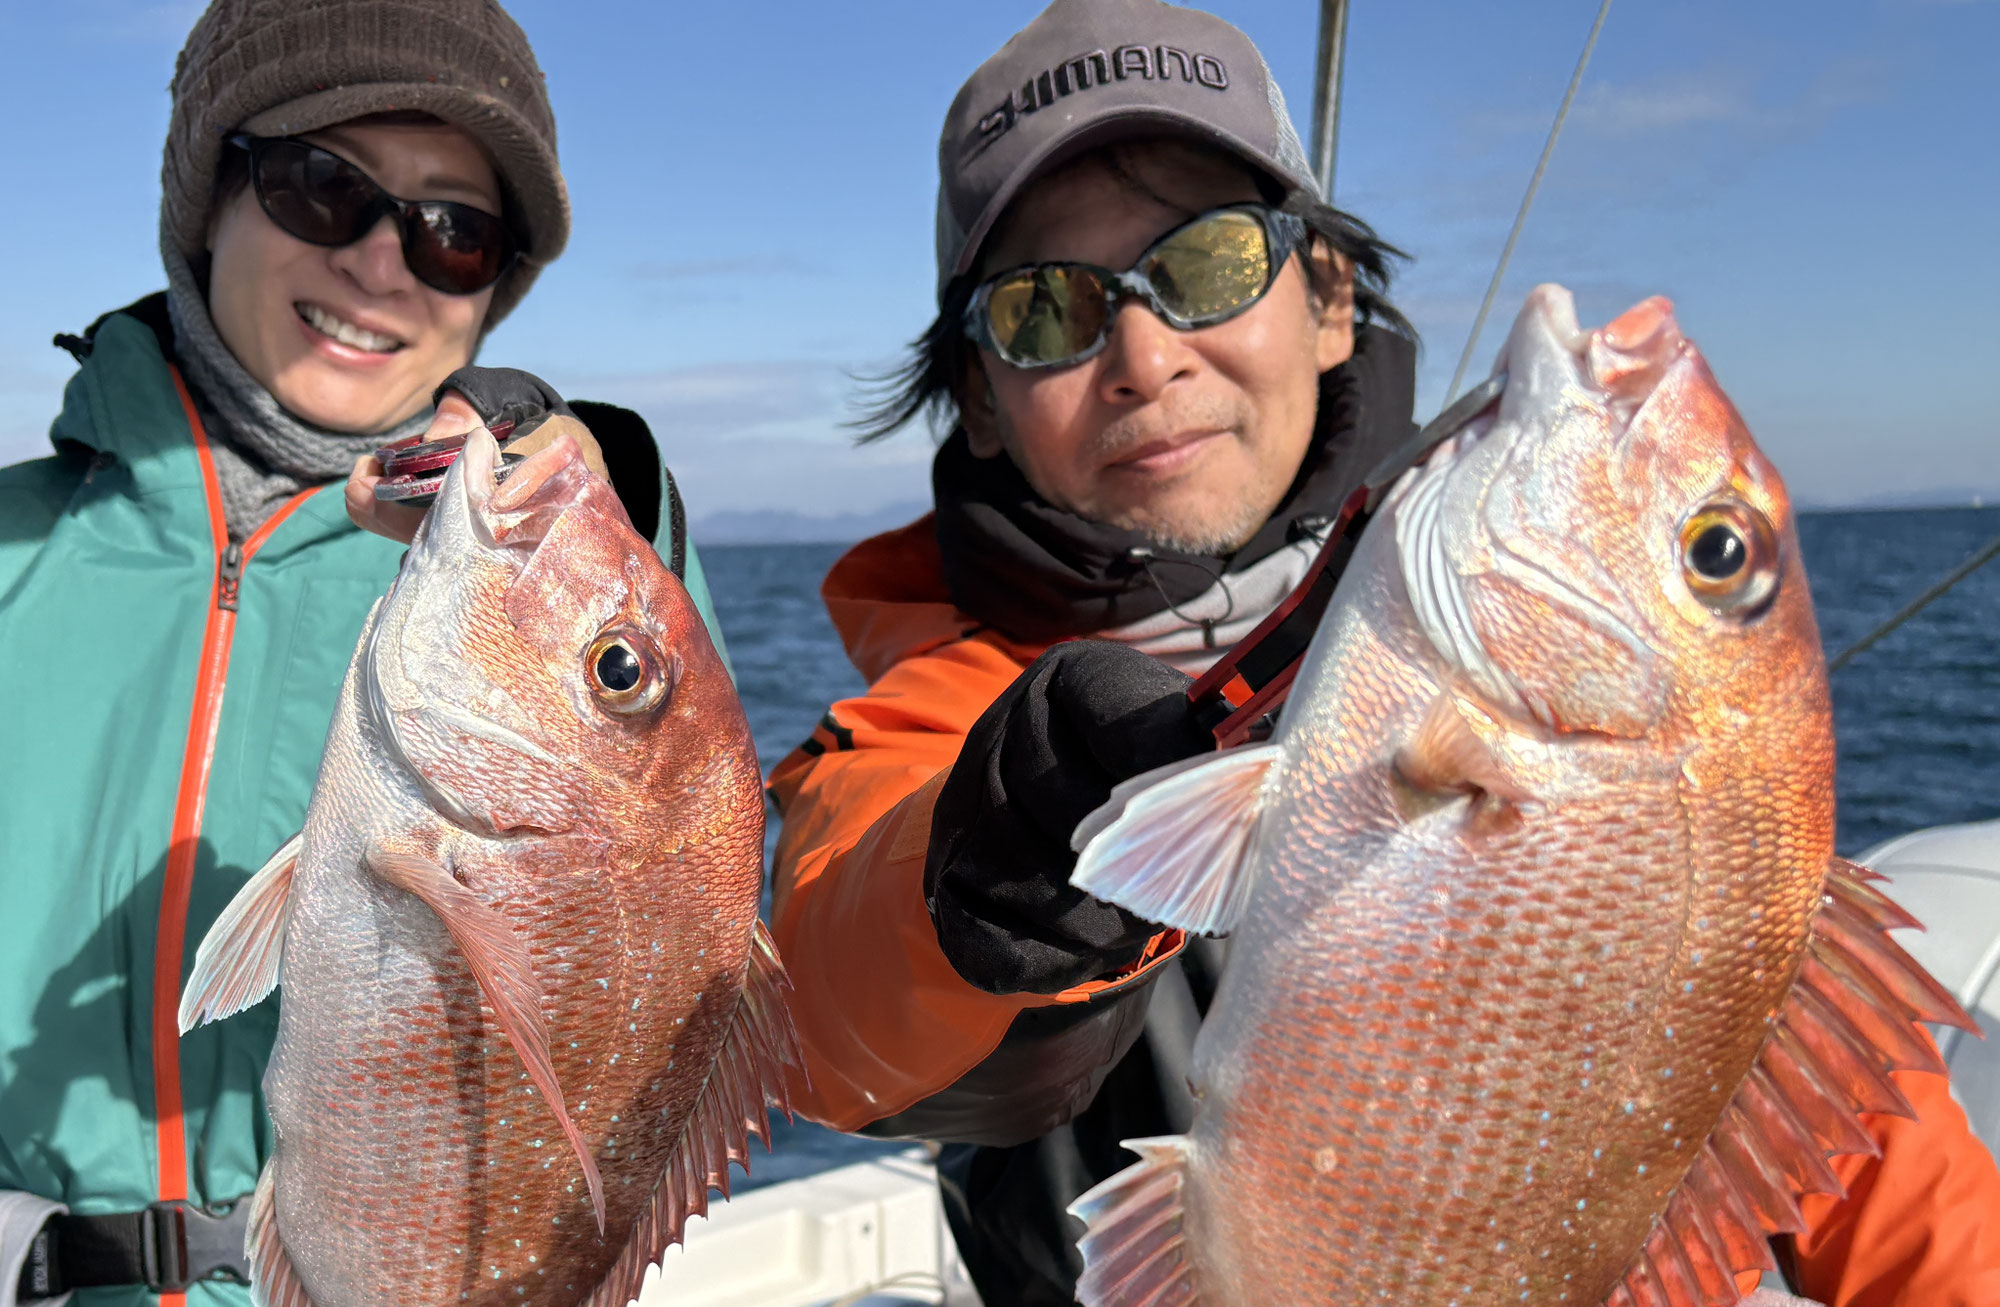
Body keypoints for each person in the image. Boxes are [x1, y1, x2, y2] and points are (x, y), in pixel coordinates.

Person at [765, 2, 2000, 1304]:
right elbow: (827, 1033)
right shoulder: (933, 719)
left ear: (1331, 297)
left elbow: (1861, 1142)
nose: (1140, 356)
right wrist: (981, 883)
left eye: (1209, 264)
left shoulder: (1686, 833)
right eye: (1042, 309)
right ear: (981, 401)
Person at [0, 2, 721, 1302]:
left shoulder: (567, 544)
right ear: (207, 198)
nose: (387, 264)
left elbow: (688, 919)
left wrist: (593, 470)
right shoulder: (9, 553)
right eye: (324, 187)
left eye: (459, 231)